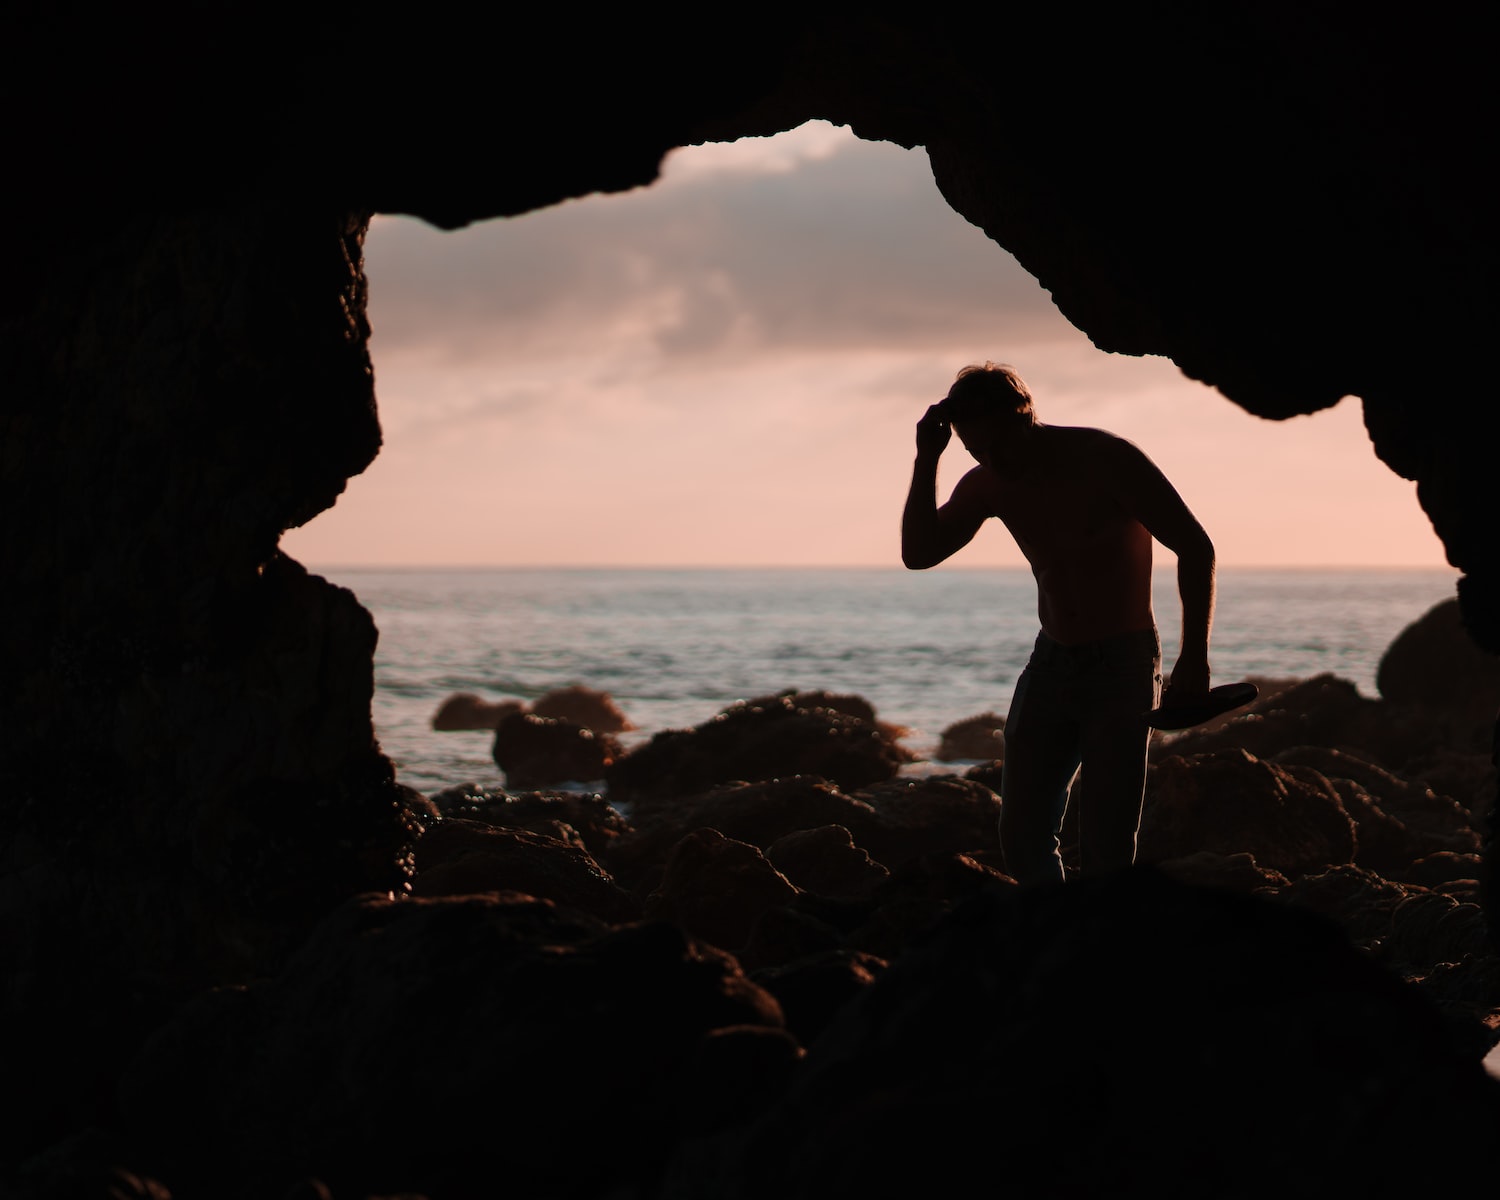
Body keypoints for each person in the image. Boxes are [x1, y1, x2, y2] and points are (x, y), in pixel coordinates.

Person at [901, 361, 1216, 884]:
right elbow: (918, 553)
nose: (991, 460)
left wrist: (1195, 657)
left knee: (1108, 843)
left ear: (1024, 417)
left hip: (1123, 663)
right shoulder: (986, 484)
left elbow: (1195, 546)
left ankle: (1101, 956)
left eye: (998, 445)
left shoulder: (1105, 458)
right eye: (975, 449)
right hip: (1050, 663)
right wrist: (925, 459)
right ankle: (1060, 945)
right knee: (1022, 837)